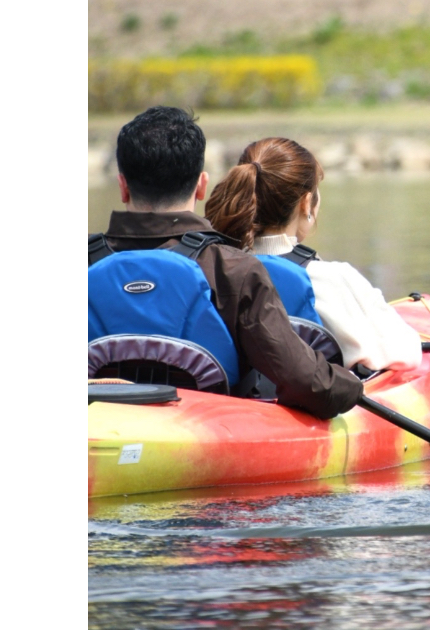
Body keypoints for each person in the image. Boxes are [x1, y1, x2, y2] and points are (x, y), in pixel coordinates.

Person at [88, 107, 362, 420]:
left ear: (122, 186)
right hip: (206, 434)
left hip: (97, 426)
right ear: (202, 186)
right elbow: (305, 381)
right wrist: (351, 386)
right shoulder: (235, 269)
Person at [205, 137, 423, 372]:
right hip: (315, 402)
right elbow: (406, 352)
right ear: (306, 204)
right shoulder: (330, 278)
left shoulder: (212, 268)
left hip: (232, 400)